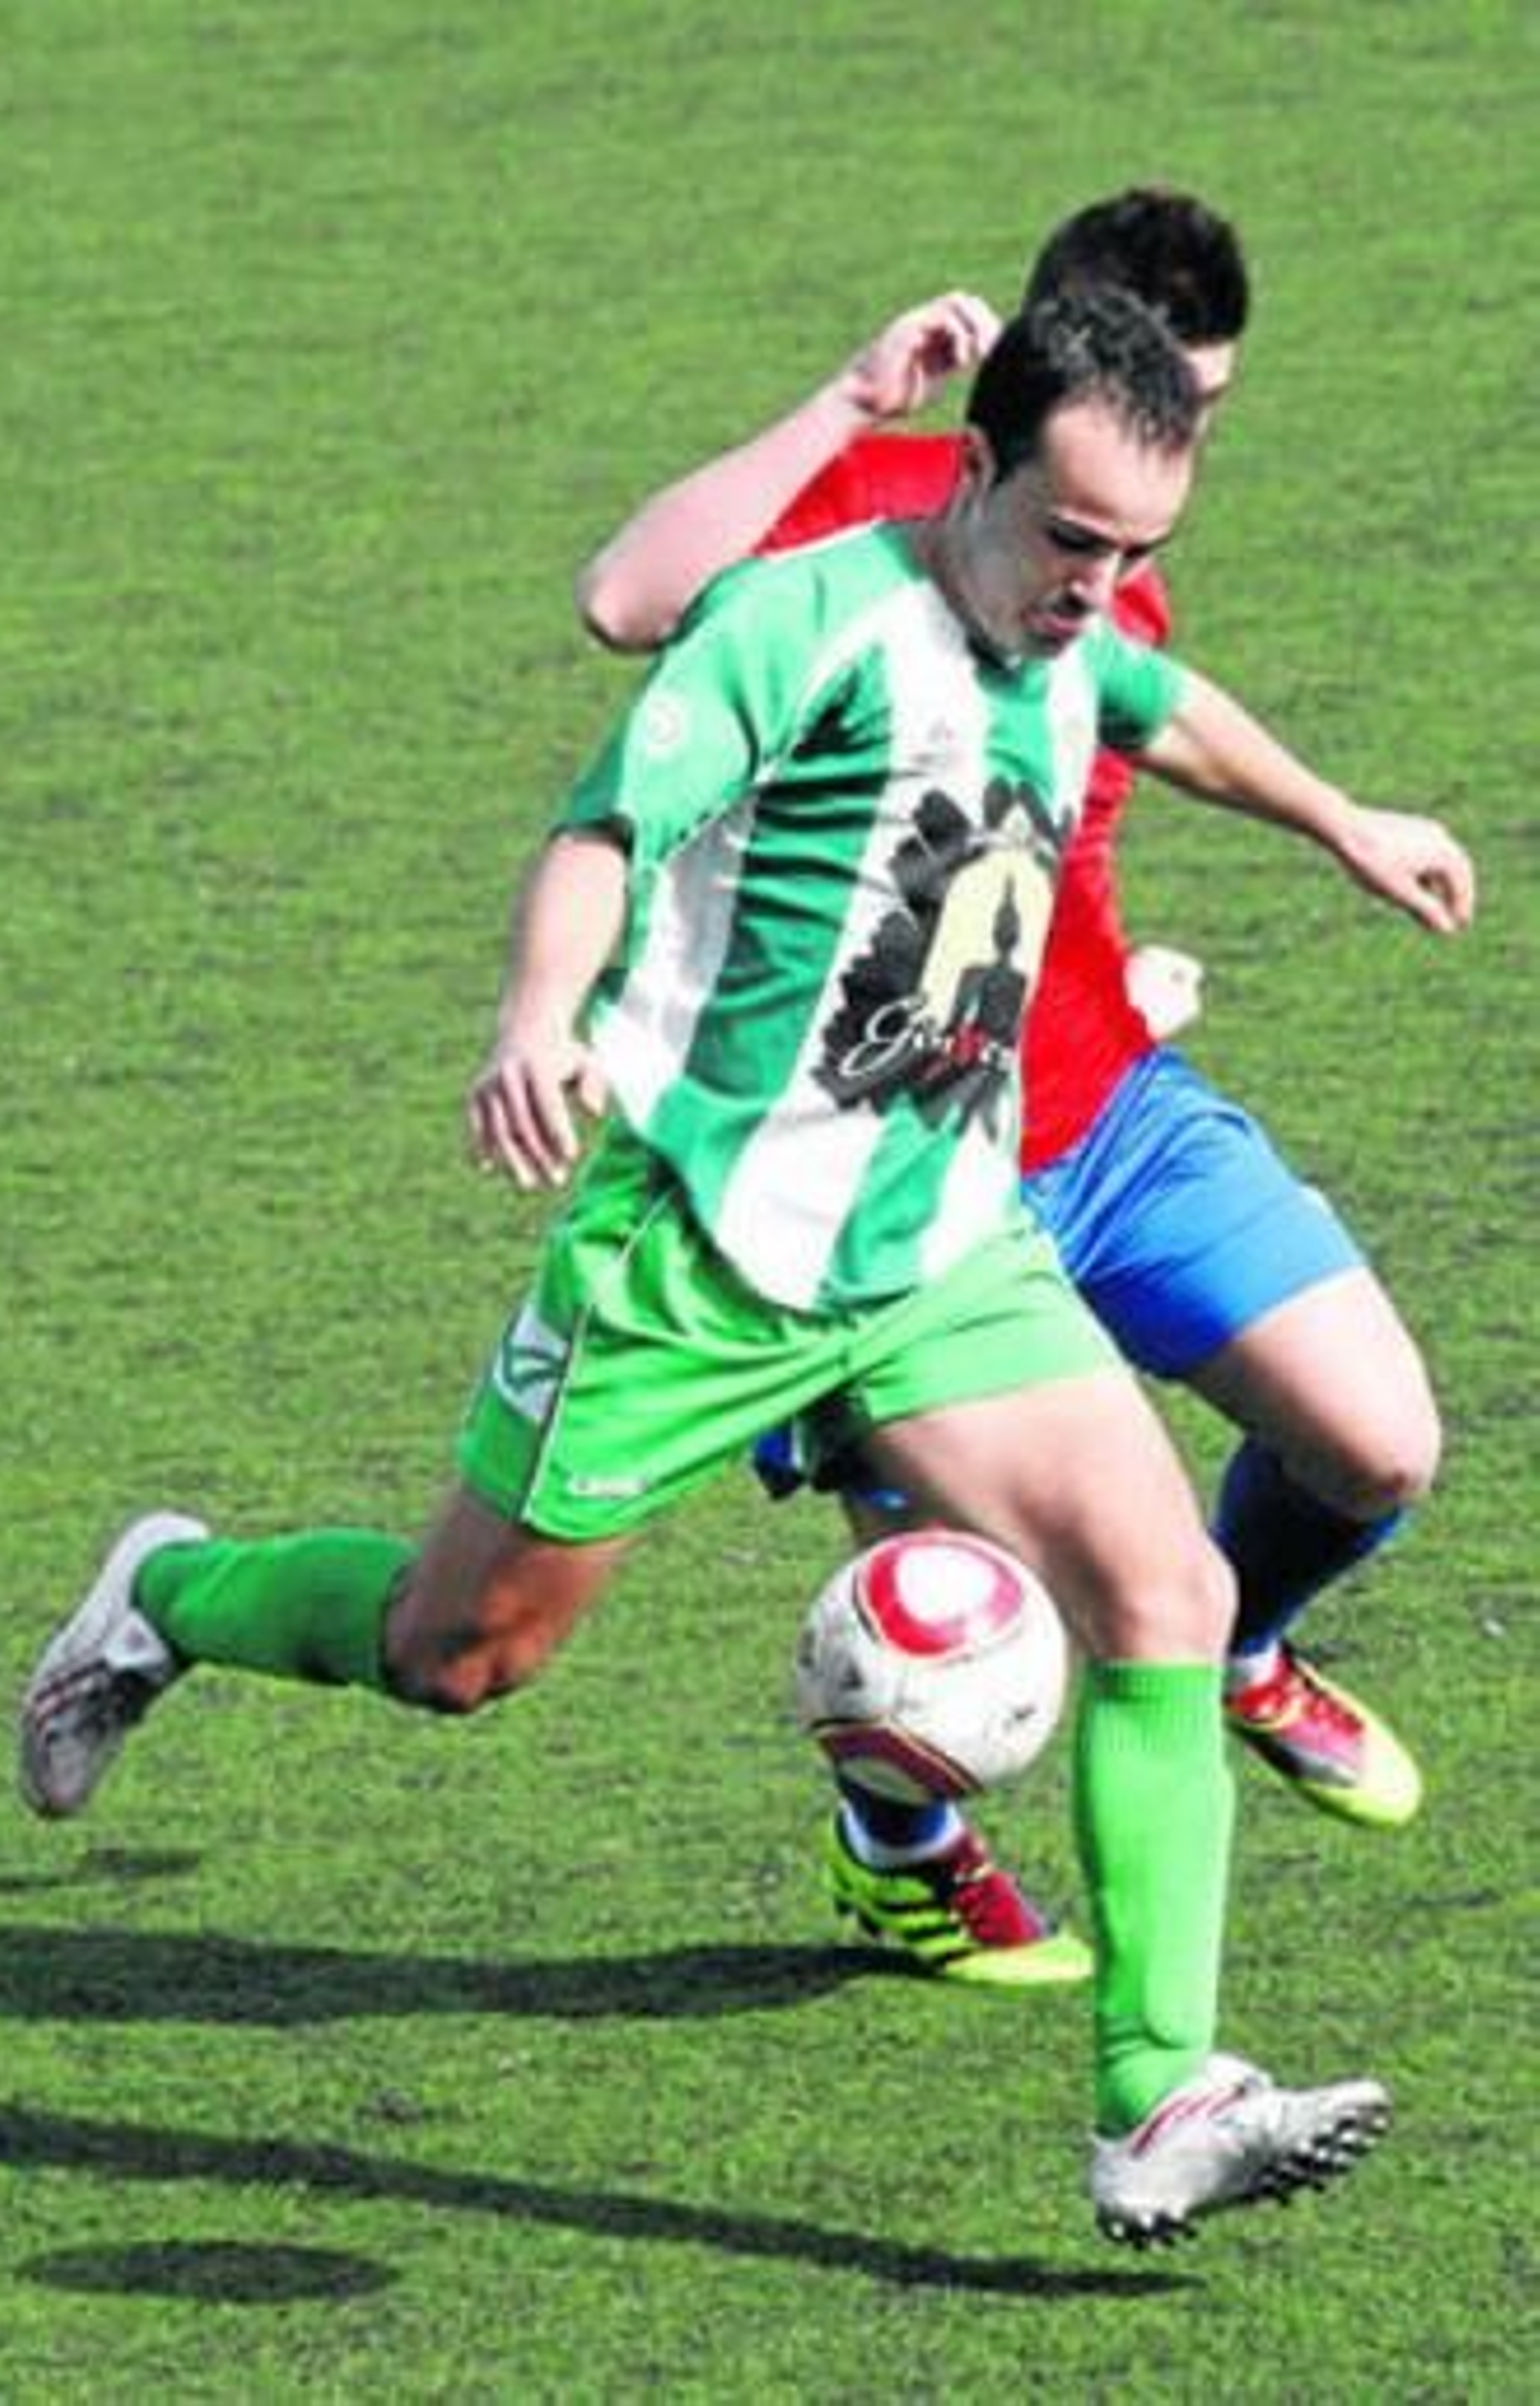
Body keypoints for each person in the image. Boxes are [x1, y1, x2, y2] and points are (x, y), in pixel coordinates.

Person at [20, 290, 1469, 2245]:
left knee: (1164, 1586)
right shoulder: (804, 626)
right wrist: (537, 1019)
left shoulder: (1071, 633)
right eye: (1070, 539)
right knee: (460, 1654)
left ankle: (1158, 2093)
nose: (1098, 587)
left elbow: (1159, 702)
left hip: (939, 1246)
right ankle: (166, 1594)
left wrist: (1341, 821)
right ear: (971, 470)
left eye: (1137, 552)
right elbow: (605, 829)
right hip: (703, 1253)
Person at [575, 188, 1440, 1994]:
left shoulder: (1105, 565)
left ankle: (1237, 1638)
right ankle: (902, 1848)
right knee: (957, 1633)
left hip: (1106, 1111)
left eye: (1208, 415)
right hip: (875, 1177)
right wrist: (842, 400)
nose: (1181, 454)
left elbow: (1148, 721)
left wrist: (1339, 822)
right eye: (1164, 404)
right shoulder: (892, 525)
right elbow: (629, 603)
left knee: (1374, 1445)